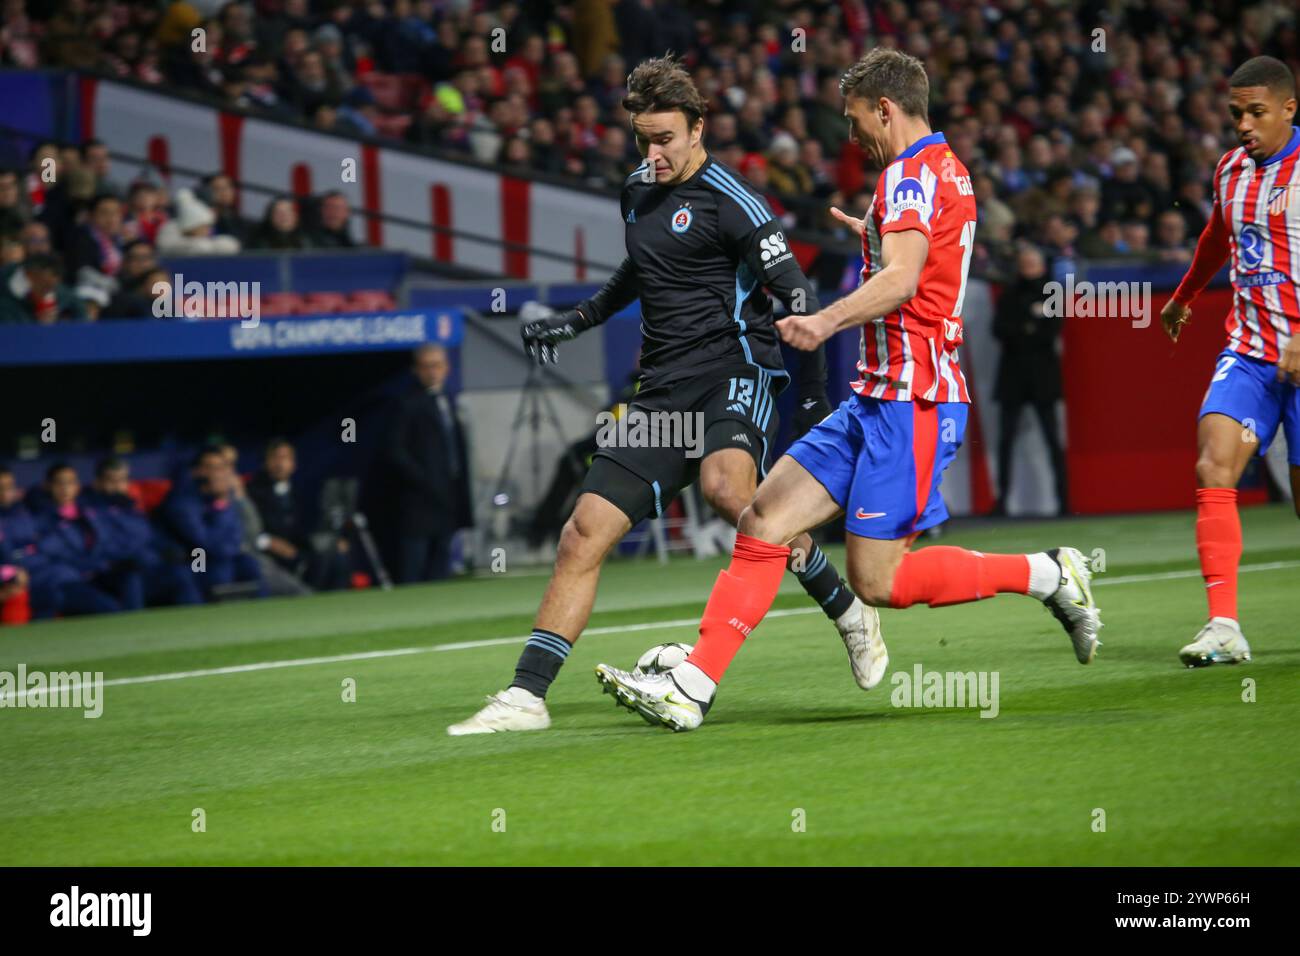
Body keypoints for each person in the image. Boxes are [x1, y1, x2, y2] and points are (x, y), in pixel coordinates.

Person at [593, 48, 1102, 732]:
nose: (851, 133)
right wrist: (878, 239)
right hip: (874, 396)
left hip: (913, 401)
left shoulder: (906, 178)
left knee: (879, 581)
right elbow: (925, 258)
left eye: (856, 118)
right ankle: (691, 685)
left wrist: (823, 321)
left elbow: (904, 280)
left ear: (885, 109)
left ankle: (1047, 574)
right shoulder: (942, 169)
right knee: (765, 519)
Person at [448, 56, 872, 737]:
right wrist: (576, 320)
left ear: (699, 128)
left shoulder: (736, 201)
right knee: (582, 532)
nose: (653, 154)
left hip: (736, 369)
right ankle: (526, 696)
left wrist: (815, 399)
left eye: (666, 139)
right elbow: (638, 271)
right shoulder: (637, 192)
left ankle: (844, 607)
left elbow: (798, 293)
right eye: (643, 139)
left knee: (731, 494)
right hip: (661, 393)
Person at [1159, 55, 1300, 668]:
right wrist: (1185, 295)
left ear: (1289, 109)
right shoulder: (1230, 170)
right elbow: (1218, 235)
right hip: (1249, 352)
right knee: (1214, 463)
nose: (1244, 125)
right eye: (1236, 113)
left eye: (1257, 113)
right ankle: (1224, 625)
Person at [385, 344, 473, 584]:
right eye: (426, 367)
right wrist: (422, 479)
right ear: (416, 370)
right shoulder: (406, 404)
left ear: (446, 368)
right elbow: (395, 450)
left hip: (447, 498)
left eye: (437, 366)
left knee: (440, 568)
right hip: (418, 503)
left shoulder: (449, 402)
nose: (432, 372)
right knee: (414, 567)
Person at [992, 243, 1068, 515]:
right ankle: (1002, 501)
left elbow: (1050, 331)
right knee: (1005, 440)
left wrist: (1023, 330)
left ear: (1042, 265)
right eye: (1023, 264)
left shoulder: (1051, 293)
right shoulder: (1010, 293)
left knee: (1052, 439)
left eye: (1031, 264)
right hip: (1013, 374)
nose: (1027, 269)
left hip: (1042, 375)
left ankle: (1064, 500)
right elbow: (999, 329)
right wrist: (1029, 328)